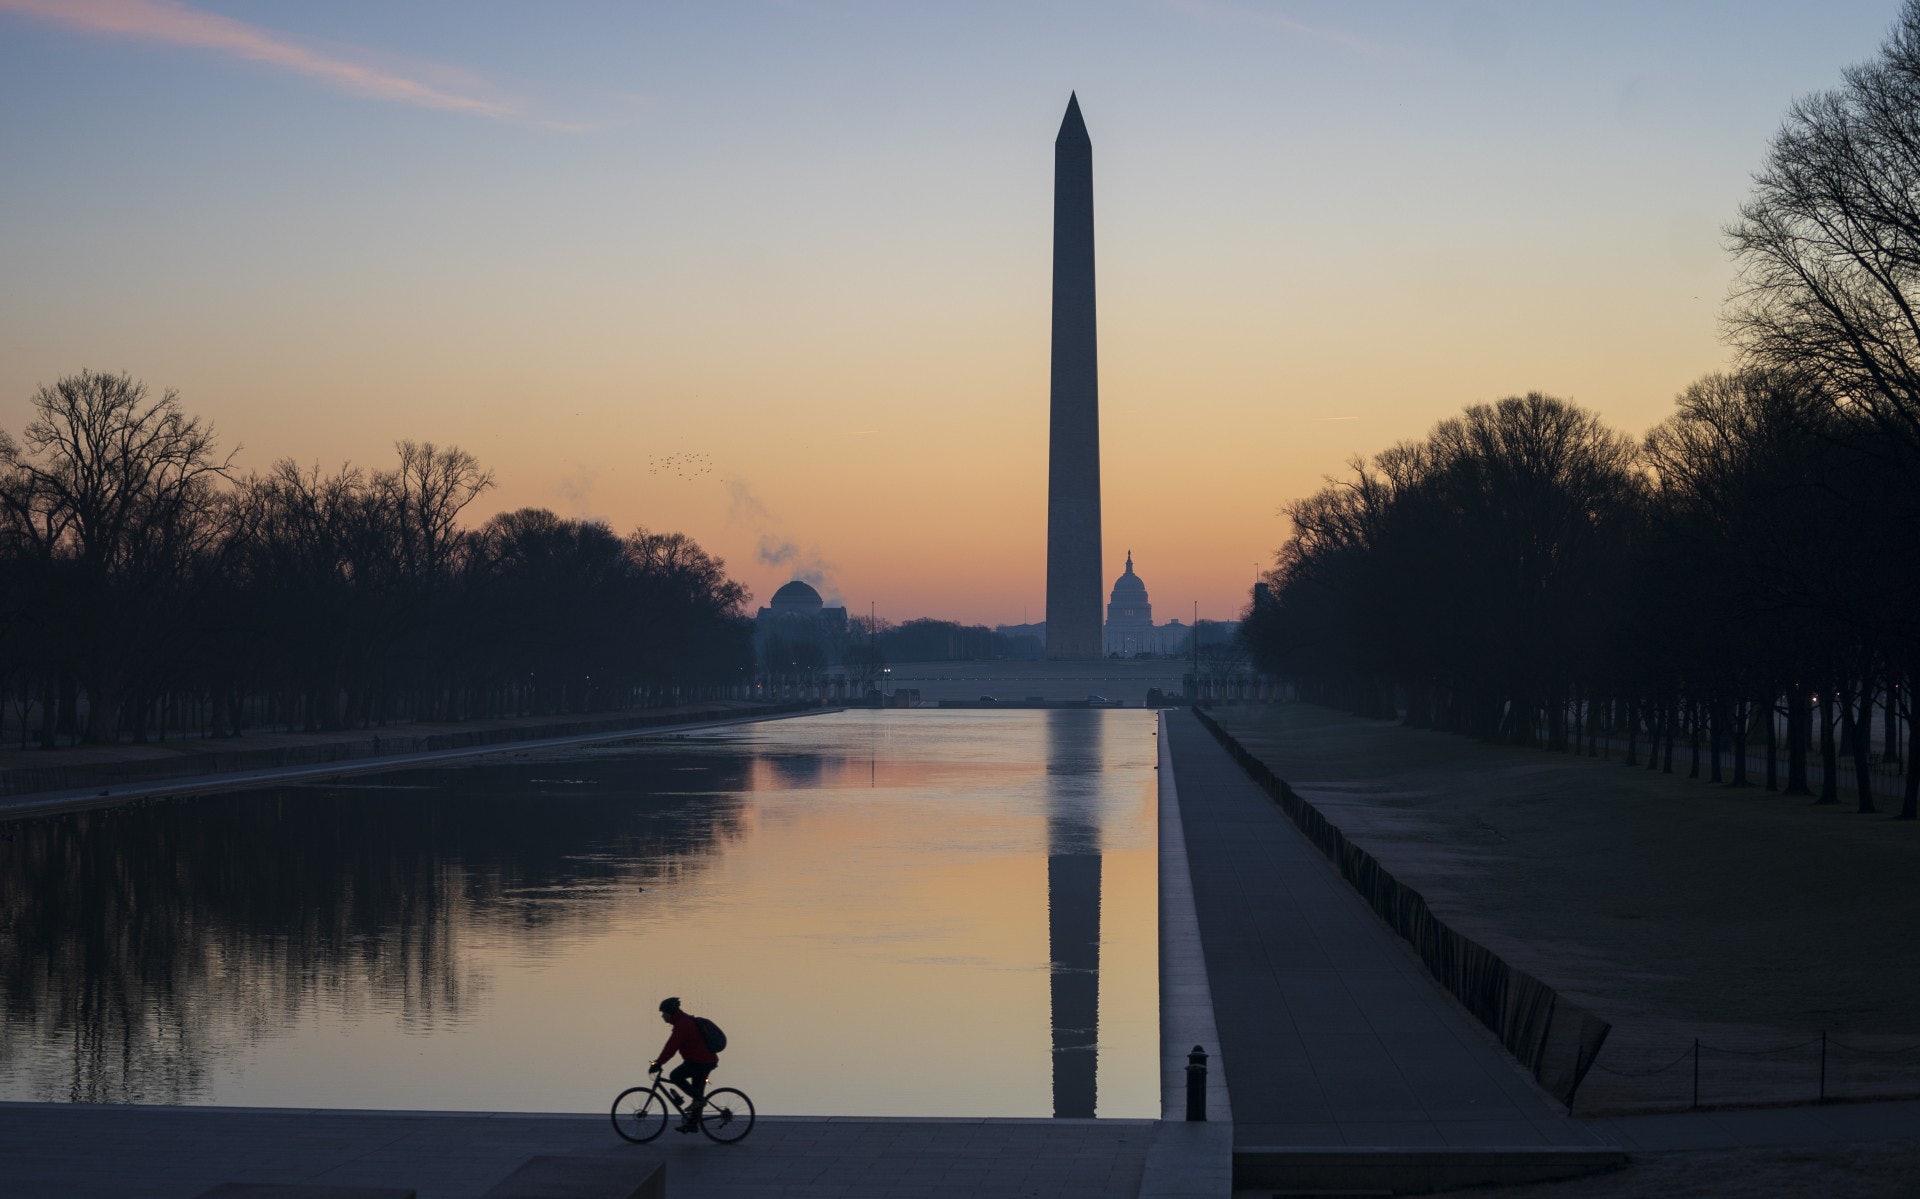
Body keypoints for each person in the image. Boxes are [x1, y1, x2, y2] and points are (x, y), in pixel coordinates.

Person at [650, 996, 719, 1132]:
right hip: (703, 1061)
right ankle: (692, 1124)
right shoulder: (683, 1022)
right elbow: (671, 1048)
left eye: (664, 1013)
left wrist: (657, 1063)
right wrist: (658, 1062)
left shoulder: (683, 1025)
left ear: (670, 1013)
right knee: (696, 1091)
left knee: (675, 1076)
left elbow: (671, 1048)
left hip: (701, 1061)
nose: (662, 1016)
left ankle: (699, 1100)